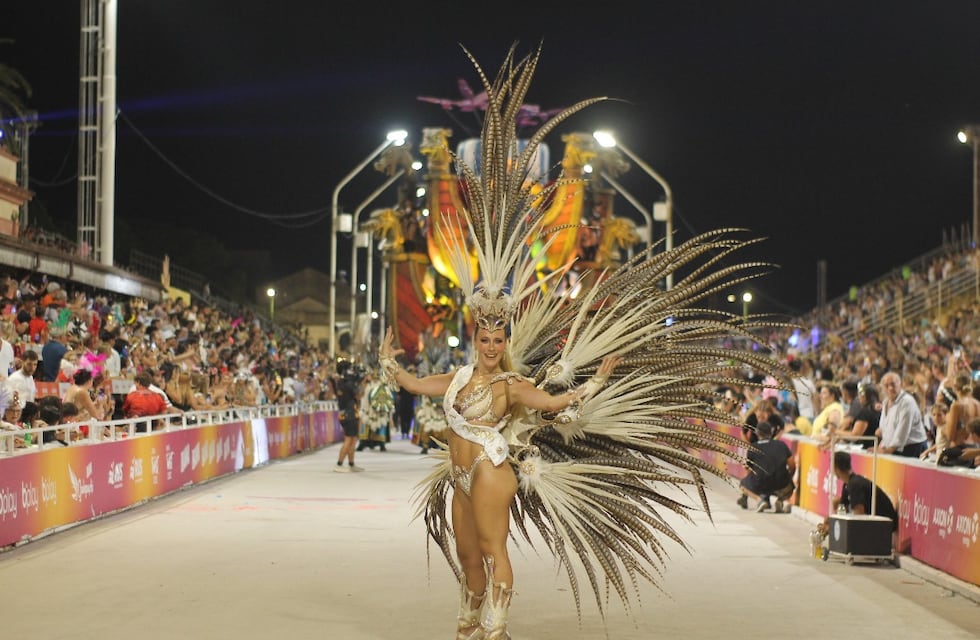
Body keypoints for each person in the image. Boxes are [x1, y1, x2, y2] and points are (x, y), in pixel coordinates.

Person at [380, 325, 620, 639]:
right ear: (475, 342)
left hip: (489, 471)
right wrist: (387, 361)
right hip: (461, 478)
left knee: (492, 550)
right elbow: (415, 385)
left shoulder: (511, 384)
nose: (491, 347)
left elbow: (550, 403)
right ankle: (470, 624)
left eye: (497, 341)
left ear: (505, 343)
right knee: (467, 556)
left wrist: (595, 383)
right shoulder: (459, 378)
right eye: (485, 340)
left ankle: (496, 627)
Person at [817, 451, 899, 549]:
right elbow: (841, 509)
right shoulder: (848, 484)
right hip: (877, 522)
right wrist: (829, 522)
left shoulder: (855, 485)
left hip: (884, 526)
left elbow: (859, 515)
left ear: (836, 468)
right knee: (836, 503)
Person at [736, 421, 796, 513]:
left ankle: (760, 501)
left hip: (760, 485)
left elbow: (748, 470)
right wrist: (788, 477)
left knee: (743, 484)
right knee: (790, 486)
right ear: (771, 432)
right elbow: (792, 465)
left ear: (757, 433)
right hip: (780, 484)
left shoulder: (753, 448)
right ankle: (780, 501)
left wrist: (752, 483)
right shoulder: (781, 445)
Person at [875, 371, 929, 457]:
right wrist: (879, 448)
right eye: (886, 385)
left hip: (913, 449)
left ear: (900, 384)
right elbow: (886, 430)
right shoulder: (885, 402)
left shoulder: (907, 402)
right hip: (894, 449)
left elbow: (901, 433)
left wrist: (885, 452)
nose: (890, 388)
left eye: (893, 384)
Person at [333, 360, 363, 472]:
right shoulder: (346, 383)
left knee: (353, 439)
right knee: (349, 439)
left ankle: (351, 464)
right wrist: (360, 382)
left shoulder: (341, 382)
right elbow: (359, 396)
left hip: (347, 412)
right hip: (349, 413)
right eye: (350, 368)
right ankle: (339, 464)